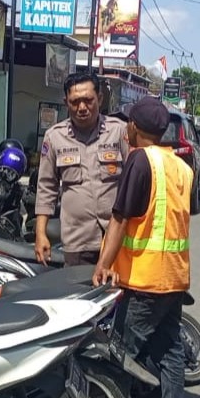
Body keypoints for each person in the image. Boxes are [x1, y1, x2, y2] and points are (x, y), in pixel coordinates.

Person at [92, 96, 193, 398]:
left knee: (121, 353)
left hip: (143, 281)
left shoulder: (141, 159)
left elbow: (121, 217)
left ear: (133, 127)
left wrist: (104, 264)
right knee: (170, 352)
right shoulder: (180, 165)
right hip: (173, 278)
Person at [34, 71, 129, 266]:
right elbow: (46, 188)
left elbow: (133, 180)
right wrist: (40, 233)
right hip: (78, 241)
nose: (82, 108)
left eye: (88, 100)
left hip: (117, 238)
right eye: (75, 102)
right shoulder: (54, 137)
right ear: (65, 102)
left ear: (100, 99)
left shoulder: (118, 131)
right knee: (78, 295)